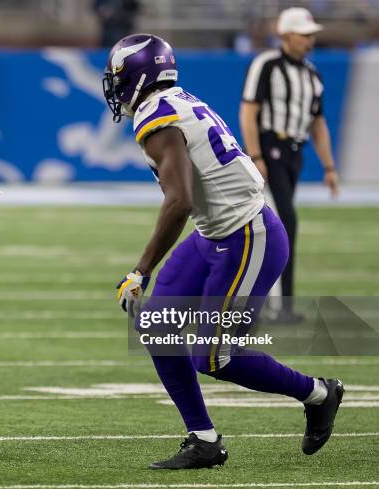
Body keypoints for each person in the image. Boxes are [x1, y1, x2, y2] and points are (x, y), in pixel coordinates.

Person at [103, 33, 343, 470]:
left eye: (119, 77)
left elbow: (180, 201)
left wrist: (140, 269)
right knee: (157, 324)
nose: (115, 87)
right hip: (216, 233)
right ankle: (204, 439)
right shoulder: (176, 100)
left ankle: (319, 393)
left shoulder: (156, 119)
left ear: (138, 76)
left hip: (248, 235)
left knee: (214, 357)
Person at [239, 7, 339, 323]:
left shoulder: (312, 74)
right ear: (285, 34)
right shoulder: (266, 65)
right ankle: (277, 308)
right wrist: (255, 156)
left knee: (278, 228)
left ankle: (274, 305)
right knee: (281, 226)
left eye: (311, 35)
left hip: (294, 152)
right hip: (270, 149)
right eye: (304, 34)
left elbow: (318, 123)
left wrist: (329, 167)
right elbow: (248, 111)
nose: (309, 40)